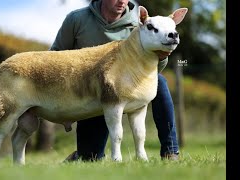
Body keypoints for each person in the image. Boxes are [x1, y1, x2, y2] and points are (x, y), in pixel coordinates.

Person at [50, 0, 179, 161]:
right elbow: (55, 57)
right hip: (89, 92)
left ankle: (170, 151)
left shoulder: (141, 24)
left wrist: (161, 56)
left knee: (160, 82)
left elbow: (153, 70)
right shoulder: (77, 19)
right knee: (90, 158)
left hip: (129, 85)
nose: (122, 1)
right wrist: (65, 97)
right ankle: (79, 156)